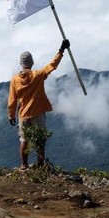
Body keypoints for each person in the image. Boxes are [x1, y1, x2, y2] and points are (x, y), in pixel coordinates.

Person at [8, 39, 70, 169]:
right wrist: (61, 50)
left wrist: (11, 115)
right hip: (37, 113)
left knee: (24, 140)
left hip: (23, 115)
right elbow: (52, 66)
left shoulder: (15, 80)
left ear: (21, 64)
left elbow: (12, 99)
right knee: (40, 139)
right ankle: (40, 164)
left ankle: (24, 165)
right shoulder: (38, 75)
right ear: (31, 63)